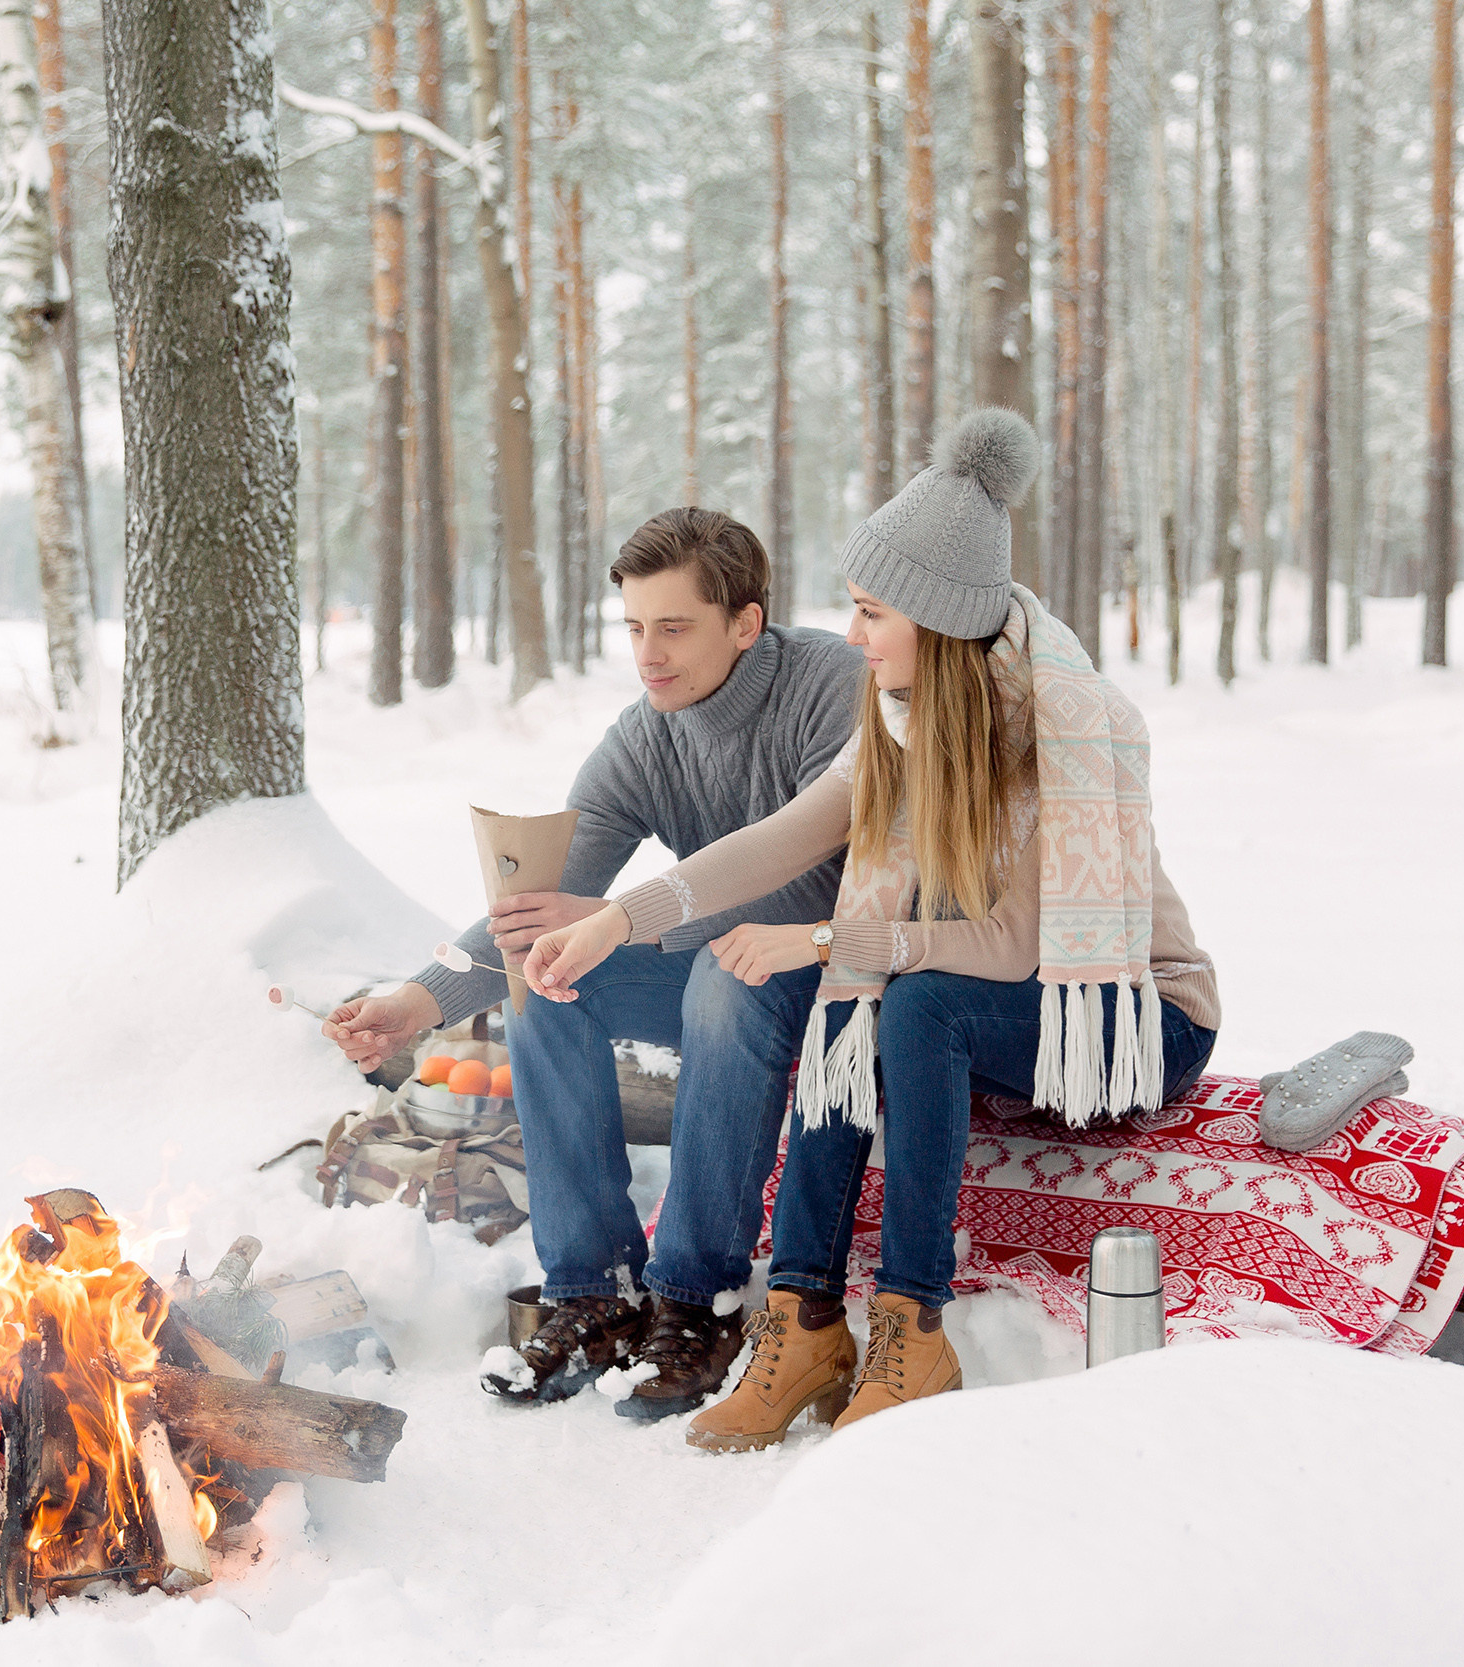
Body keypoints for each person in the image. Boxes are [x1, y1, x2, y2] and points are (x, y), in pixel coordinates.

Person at [523, 409, 1220, 1449]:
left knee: (908, 994)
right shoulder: (899, 719)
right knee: (855, 1012)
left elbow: (1011, 949)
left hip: (1123, 1013)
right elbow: (777, 839)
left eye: (870, 612)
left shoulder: (1065, 728)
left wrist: (816, 945)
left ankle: (912, 1323)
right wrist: (620, 917)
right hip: (987, 995)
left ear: (934, 618)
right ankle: (803, 1321)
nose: (850, 637)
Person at [321, 509, 864, 1416]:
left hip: (838, 968)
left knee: (728, 974)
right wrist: (420, 1001)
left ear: (746, 622)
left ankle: (700, 1301)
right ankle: (595, 1290)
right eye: (635, 628)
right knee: (548, 967)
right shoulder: (648, 735)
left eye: (675, 627)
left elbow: (810, 886)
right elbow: (542, 902)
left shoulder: (830, 689)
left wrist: (625, 921)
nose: (648, 654)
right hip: (716, 965)